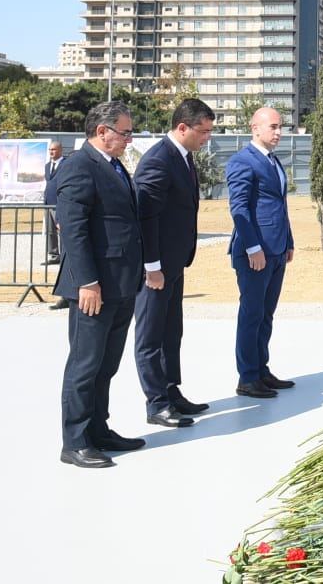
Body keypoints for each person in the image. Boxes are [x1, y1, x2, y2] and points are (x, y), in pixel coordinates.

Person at [54, 101, 146, 469]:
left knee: (106, 364)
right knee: (85, 364)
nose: (129, 138)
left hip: (121, 283)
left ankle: (98, 429)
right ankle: (75, 441)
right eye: (124, 132)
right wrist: (87, 283)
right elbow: (74, 231)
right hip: (95, 287)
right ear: (102, 131)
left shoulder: (112, 164)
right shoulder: (79, 165)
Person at [132, 98, 216, 427]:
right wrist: (151, 265)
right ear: (182, 127)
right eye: (203, 131)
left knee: (171, 331)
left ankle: (170, 391)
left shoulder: (182, 157)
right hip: (157, 267)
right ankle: (156, 404)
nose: (207, 137)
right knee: (151, 335)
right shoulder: (158, 160)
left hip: (174, 263)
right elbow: (146, 216)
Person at [227, 106, 296, 399]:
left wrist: (288, 241)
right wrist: (253, 247)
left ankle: (262, 370)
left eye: (281, 127)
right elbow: (239, 209)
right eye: (273, 127)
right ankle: (248, 377)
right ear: (255, 128)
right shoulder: (243, 161)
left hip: (277, 249)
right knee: (252, 314)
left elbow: (279, 205)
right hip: (255, 252)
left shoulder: (273, 160)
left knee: (266, 314)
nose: (279, 132)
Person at [43, 140, 65, 266]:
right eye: (50, 150)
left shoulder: (66, 164)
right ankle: (53, 255)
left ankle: (64, 256)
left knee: (62, 229)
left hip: (60, 203)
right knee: (50, 231)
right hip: (48, 203)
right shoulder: (47, 166)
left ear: (60, 150)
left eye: (54, 149)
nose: (51, 152)